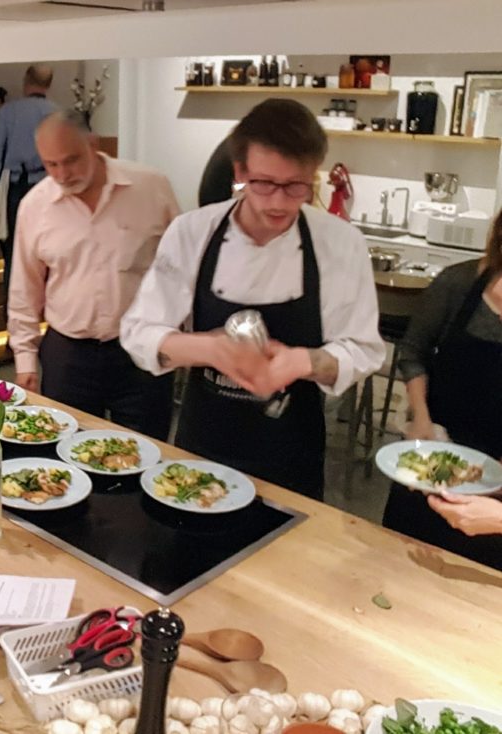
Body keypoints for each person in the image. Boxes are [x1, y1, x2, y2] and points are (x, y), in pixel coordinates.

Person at [121, 99, 385, 500]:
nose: (278, 203)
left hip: (292, 454)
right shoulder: (192, 232)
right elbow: (139, 332)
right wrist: (210, 349)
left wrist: (302, 362)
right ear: (240, 172)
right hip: (203, 447)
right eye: (264, 183)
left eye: (296, 186)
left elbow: (364, 349)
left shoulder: (341, 243)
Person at [9, 112, 180, 440]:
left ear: (93, 144)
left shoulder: (151, 187)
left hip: (141, 348)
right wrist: (25, 360)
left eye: (71, 160)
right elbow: (24, 288)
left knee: (148, 448)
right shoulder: (35, 205)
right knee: (66, 448)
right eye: (51, 164)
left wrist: (181, 336)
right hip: (68, 353)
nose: (62, 174)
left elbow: (180, 266)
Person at [382, 207, 502, 568]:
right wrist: (420, 418)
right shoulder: (458, 283)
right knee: (400, 565)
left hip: (495, 488)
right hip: (433, 455)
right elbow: (413, 350)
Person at [0, 65, 58, 298]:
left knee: (14, 249)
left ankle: (13, 303)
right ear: (49, 84)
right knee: (46, 246)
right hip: (49, 186)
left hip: (16, 186)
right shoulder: (57, 113)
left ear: (26, 81)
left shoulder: (9, 112)